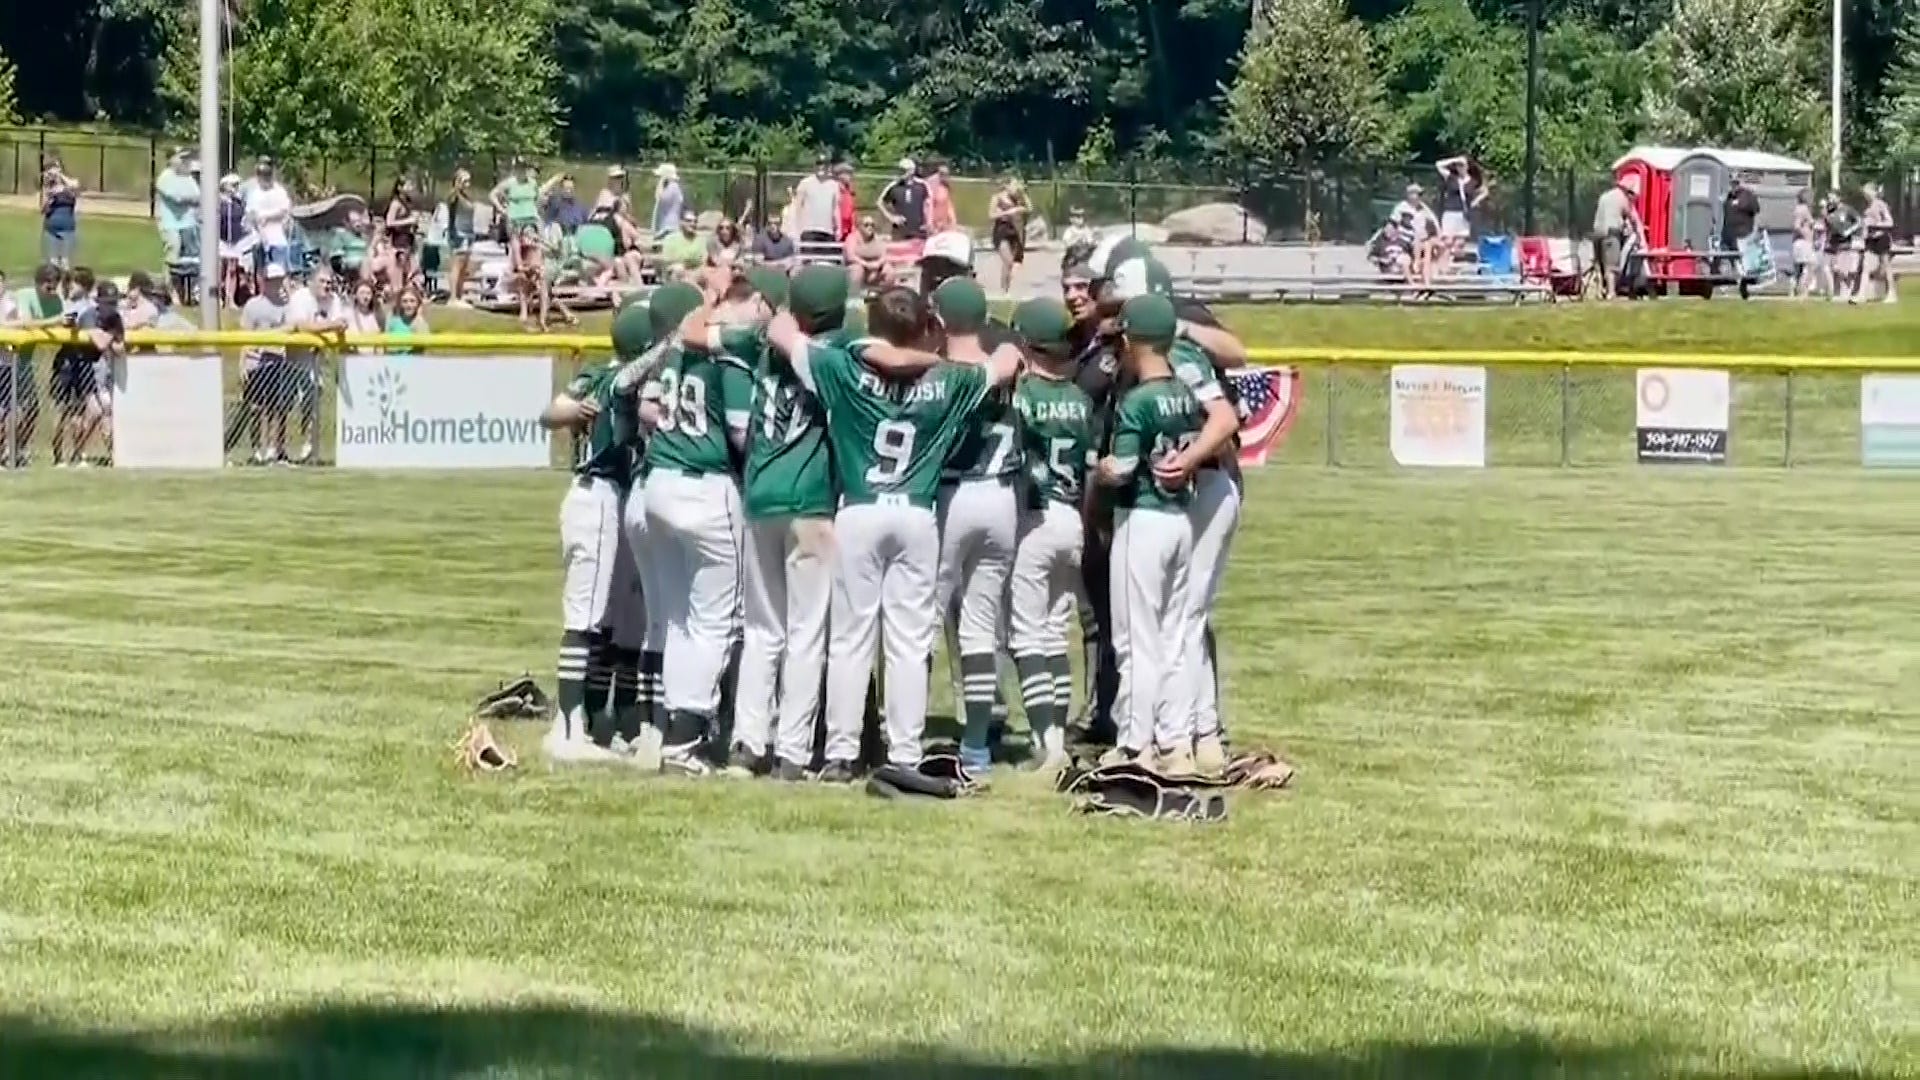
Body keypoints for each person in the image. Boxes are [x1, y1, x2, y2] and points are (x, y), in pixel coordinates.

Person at [764, 281, 1015, 777]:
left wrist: (868, 347)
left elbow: (781, 331)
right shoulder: (951, 379)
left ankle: (841, 753)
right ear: (924, 328)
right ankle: (904, 752)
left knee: (851, 639)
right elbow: (1005, 361)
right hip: (916, 512)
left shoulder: (841, 366)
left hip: (859, 507)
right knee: (907, 641)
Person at [672, 270, 822, 779]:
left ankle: (746, 744)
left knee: (762, 630)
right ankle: (793, 752)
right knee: (805, 631)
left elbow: (692, 332)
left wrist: (712, 300)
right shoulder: (837, 346)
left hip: (760, 491)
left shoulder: (749, 339)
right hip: (813, 496)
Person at [631, 282, 755, 775]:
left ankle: (672, 730)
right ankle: (688, 739)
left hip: (659, 480)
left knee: (681, 619)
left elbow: (650, 408)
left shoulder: (672, 353)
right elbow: (743, 431)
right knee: (716, 621)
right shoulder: (727, 355)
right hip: (706, 485)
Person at [1094, 293, 1205, 773]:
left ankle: (1135, 743)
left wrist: (1100, 472)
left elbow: (1120, 469)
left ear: (1132, 338)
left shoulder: (1136, 399)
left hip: (1143, 517)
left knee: (1134, 637)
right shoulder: (1183, 389)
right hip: (1181, 517)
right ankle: (1176, 741)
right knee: (1174, 636)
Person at [537, 317, 647, 764]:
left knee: (613, 618)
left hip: (613, 498)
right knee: (586, 614)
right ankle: (568, 723)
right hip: (597, 494)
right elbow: (550, 413)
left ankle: (600, 720)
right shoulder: (608, 376)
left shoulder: (611, 375)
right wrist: (573, 411)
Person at [928, 276, 1024, 775]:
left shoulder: (937, 372)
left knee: (923, 621)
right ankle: (977, 745)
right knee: (982, 625)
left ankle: (903, 735)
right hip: (1001, 498)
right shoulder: (1007, 361)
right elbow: (1008, 358)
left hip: (951, 494)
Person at [1005, 297, 1094, 775]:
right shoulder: (1082, 399)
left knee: (1028, 635)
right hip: (1072, 518)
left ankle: (1048, 743)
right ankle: (1058, 734)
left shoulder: (1024, 394)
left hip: (1034, 519)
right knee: (1057, 632)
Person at [3, 264, 69, 465]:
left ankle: (19, 449)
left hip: (26, 360)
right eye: (48, 284)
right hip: (8, 357)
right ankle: (7, 449)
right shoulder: (25, 295)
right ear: (38, 282)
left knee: (31, 408)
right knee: (9, 409)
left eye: (55, 284)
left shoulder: (57, 301)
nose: (51, 289)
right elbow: (27, 322)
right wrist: (54, 321)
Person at [284, 267, 348, 463]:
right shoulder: (300, 298)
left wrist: (322, 329)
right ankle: (279, 449)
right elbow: (302, 327)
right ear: (311, 282)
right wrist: (329, 326)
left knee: (313, 403)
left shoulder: (334, 299)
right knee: (285, 405)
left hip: (319, 358)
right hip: (292, 358)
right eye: (322, 281)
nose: (326, 286)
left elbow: (342, 323)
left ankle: (310, 448)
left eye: (329, 282)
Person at [236, 264, 294, 465]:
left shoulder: (286, 306)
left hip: (277, 362)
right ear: (264, 281)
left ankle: (274, 448)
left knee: (277, 409)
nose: (275, 283)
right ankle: (256, 449)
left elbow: (291, 329)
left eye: (279, 279)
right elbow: (244, 336)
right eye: (272, 279)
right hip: (255, 364)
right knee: (255, 408)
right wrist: (242, 364)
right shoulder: (253, 305)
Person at [1592, 174, 1642, 298]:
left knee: (1599, 264)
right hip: (1611, 233)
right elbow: (1634, 219)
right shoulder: (1623, 199)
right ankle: (1611, 292)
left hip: (1597, 232)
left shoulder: (1605, 196)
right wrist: (1640, 237)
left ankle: (1599, 291)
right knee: (1612, 265)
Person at [245, 157, 294, 280]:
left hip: (277, 238)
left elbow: (284, 210)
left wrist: (267, 216)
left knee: (280, 272)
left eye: (266, 174)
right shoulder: (255, 193)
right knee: (261, 273)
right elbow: (251, 213)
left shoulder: (279, 191)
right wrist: (258, 227)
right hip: (259, 239)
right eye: (261, 174)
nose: (263, 178)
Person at [155, 149, 200, 265]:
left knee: (191, 259)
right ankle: (169, 282)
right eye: (181, 158)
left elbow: (199, 198)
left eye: (187, 158)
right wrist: (191, 199)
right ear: (171, 159)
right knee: (173, 255)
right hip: (170, 224)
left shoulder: (188, 178)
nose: (185, 161)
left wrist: (192, 199)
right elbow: (178, 199)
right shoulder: (165, 178)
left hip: (189, 224)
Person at [793, 155, 843, 256]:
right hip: (808, 230)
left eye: (824, 164)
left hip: (827, 230)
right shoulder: (805, 183)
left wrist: (839, 228)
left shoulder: (834, 185)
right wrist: (796, 229)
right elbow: (797, 207)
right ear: (815, 166)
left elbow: (836, 208)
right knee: (807, 261)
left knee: (826, 263)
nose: (821, 167)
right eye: (819, 164)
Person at [989, 178, 1030, 294]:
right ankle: (1003, 290)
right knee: (1008, 261)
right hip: (1001, 230)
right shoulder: (997, 198)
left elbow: (1029, 209)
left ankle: (1006, 289)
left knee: (1010, 264)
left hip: (1013, 231)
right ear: (1007, 186)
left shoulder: (1016, 199)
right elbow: (991, 215)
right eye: (1014, 185)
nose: (1016, 188)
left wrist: (1023, 194)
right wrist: (1008, 212)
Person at [40, 155, 81, 269]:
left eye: (55, 167)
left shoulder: (70, 183)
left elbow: (75, 187)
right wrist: (49, 197)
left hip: (68, 226)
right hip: (51, 226)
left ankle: (65, 282)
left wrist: (60, 176)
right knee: (53, 262)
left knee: (65, 261)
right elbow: (43, 210)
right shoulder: (48, 188)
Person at [445, 168, 479, 307]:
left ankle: (459, 295)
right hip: (458, 233)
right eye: (464, 181)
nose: (467, 184)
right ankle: (452, 298)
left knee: (464, 267)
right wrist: (456, 188)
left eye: (468, 181)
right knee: (457, 265)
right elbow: (450, 200)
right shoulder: (454, 196)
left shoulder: (466, 196)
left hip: (468, 232)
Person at [1822, 192, 1861, 303]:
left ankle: (1847, 292)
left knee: (1844, 269)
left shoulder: (1847, 209)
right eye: (1829, 198)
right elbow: (1828, 226)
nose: (1830, 200)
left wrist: (1849, 231)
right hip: (1833, 243)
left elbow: (1858, 221)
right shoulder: (1829, 211)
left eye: (1832, 197)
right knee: (1836, 268)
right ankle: (1838, 292)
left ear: (1839, 198)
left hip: (1845, 243)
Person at [1861, 183, 1897, 304]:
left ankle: (1891, 294)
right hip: (1870, 239)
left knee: (1886, 266)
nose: (1865, 194)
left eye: (1867, 191)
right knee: (1865, 266)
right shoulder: (1867, 206)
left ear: (1874, 192)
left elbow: (1889, 222)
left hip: (1882, 238)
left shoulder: (1880, 204)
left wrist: (1874, 225)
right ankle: (1862, 293)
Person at [877, 158, 930, 241]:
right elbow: (879, 202)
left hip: (919, 231)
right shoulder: (894, 186)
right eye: (900, 170)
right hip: (900, 231)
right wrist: (891, 217)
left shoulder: (922, 185)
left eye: (904, 170)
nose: (901, 173)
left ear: (912, 171)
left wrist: (928, 223)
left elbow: (929, 204)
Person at [384, 176, 422, 288]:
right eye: (408, 185)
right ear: (400, 187)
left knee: (408, 270)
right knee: (398, 271)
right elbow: (389, 222)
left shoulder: (408, 202)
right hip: (398, 241)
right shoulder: (396, 203)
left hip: (408, 240)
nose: (411, 188)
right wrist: (408, 220)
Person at [492, 158, 542, 239]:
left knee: (532, 246)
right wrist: (502, 210)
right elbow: (493, 194)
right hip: (514, 220)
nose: (523, 170)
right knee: (516, 247)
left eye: (525, 167)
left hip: (531, 220)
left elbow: (536, 198)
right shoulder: (510, 182)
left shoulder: (533, 183)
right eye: (520, 167)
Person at [843, 215, 889, 291]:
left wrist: (878, 264)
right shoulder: (852, 238)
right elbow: (851, 256)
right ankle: (854, 297)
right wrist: (866, 264)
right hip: (857, 266)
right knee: (857, 269)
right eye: (866, 225)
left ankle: (886, 296)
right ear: (859, 227)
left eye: (872, 225)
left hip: (875, 268)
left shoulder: (877, 238)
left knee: (888, 269)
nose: (870, 227)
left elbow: (884, 255)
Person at [659, 211, 708, 280]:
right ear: (681, 222)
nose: (692, 224)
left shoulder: (701, 240)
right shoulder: (670, 239)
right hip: (675, 273)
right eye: (689, 221)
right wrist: (687, 265)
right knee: (678, 269)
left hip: (695, 273)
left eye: (695, 221)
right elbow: (668, 262)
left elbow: (703, 261)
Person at [1790, 189, 1819, 299]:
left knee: (1798, 269)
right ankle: (1804, 291)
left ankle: (1793, 290)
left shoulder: (1799, 209)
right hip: (1803, 242)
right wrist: (1806, 235)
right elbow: (1797, 225)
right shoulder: (1803, 210)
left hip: (1798, 242)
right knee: (1811, 265)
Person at [386, 286, 429, 352]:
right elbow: (386, 343)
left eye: (412, 301)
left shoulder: (421, 321)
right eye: (405, 301)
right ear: (400, 303)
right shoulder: (393, 318)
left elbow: (423, 344)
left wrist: (418, 317)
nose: (409, 305)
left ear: (418, 303)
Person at [652, 163, 686, 238]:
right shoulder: (671, 187)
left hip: (668, 226)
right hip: (667, 226)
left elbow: (659, 197)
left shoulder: (672, 187)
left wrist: (661, 181)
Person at [926, 161, 957, 234]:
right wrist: (930, 224)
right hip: (933, 224)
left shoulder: (945, 187)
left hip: (943, 223)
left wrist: (953, 221)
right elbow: (928, 206)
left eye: (947, 174)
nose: (946, 176)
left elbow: (949, 205)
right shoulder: (930, 185)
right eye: (942, 173)